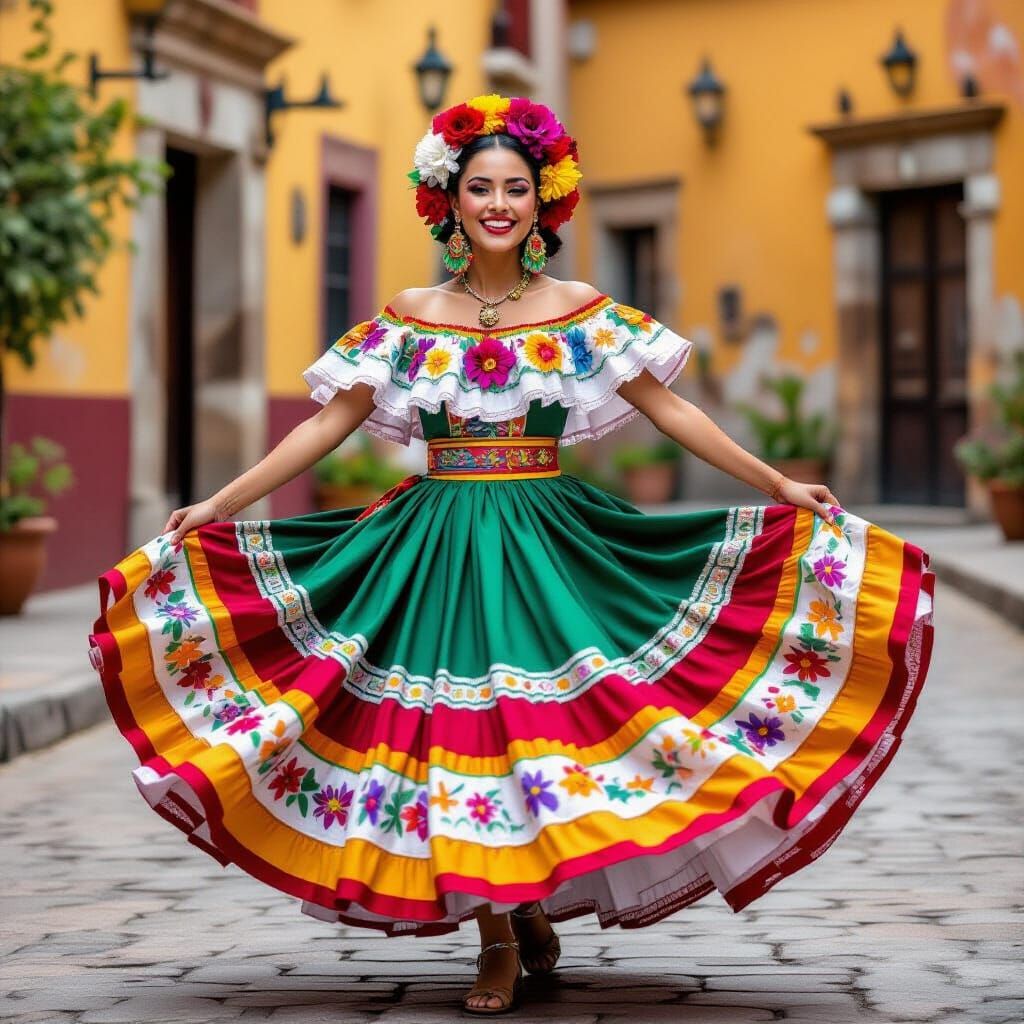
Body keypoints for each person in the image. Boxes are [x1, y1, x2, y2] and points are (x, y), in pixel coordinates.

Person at [88, 94, 935, 1016]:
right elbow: (324, 428)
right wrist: (216, 503)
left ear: (545, 203)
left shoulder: (580, 311)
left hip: (548, 539)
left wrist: (777, 484)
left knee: (549, 727)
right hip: (438, 543)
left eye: (517, 188)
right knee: (461, 734)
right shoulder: (412, 315)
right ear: (448, 199)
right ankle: (498, 930)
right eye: (480, 186)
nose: (499, 203)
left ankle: (525, 904)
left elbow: (673, 410)